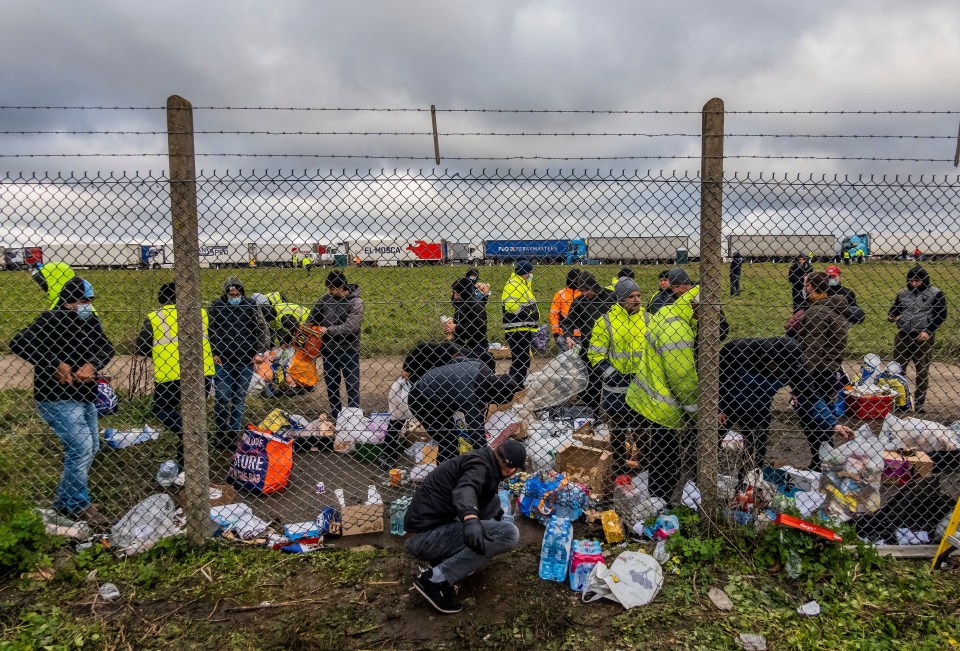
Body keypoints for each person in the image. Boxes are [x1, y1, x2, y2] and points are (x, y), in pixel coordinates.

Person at [11, 277, 114, 529]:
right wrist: (53, 364)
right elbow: (18, 342)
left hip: (85, 395)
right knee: (80, 448)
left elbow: (106, 348)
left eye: (90, 300)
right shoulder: (51, 320)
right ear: (69, 301)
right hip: (56, 397)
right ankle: (79, 504)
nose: (88, 305)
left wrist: (92, 365)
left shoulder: (90, 321)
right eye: (84, 300)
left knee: (92, 447)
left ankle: (66, 501)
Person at [405, 439, 526, 614]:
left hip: (428, 529)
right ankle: (435, 579)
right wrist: (470, 519)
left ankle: (446, 558)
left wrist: (490, 513)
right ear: (511, 470)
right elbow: (465, 489)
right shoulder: (479, 467)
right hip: (423, 538)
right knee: (509, 534)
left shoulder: (484, 459)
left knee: (493, 502)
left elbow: (480, 494)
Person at [720, 337, 853, 472]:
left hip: (758, 409)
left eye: (781, 367)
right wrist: (718, 407)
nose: (776, 369)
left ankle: (746, 487)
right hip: (726, 406)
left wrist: (833, 424)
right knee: (708, 443)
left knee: (756, 452)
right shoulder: (738, 350)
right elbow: (713, 380)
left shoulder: (795, 366)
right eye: (773, 364)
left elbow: (810, 398)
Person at [626, 273, 700, 501]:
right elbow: (682, 379)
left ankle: (656, 498)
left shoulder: (668, 312)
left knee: (660, 453)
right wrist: (698, 413)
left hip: (649, 395)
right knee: (667, 459)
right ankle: (660, 501)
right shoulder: (677, 329)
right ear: (695, 305)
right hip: (664, 404)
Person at [135, 282, 216, 466]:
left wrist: (158, 352)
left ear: (161, 299)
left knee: (161, 410)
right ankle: (189, 458)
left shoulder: (155, 317)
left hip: (170, 375)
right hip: (202, 372)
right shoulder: (201, 313)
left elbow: (141, 347)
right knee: (194, 414)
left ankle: (188, 434)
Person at [408, 353, 521, 464]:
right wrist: (488, 459)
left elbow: (456, 360)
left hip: (431, 386)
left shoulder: (481, 366)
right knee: (449, 442)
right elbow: (476, 432)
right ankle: (444, 476)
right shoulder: (472, 397)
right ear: (492, 395)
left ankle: (451, 469)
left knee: (451, 436)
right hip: (421, 400)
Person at [586, 279, 647, 474]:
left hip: (641, 385)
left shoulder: (648, 320)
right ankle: (619, 466)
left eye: (639, 295)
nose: (636, 299)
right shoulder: (605, 322)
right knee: (618, 431)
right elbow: (596, 354)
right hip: (616, 388)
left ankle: (644, 466)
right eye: (631, 296)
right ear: (621, 299)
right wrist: (612, 375)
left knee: (643, 431)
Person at [208, 277, 270, 447]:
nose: (234, 296)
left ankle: (234, 434)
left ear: (242, 292)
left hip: (245, 361)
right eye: (231, 294)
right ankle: (221, 433)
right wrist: (213, 352)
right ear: (226, 293)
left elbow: (262, 328)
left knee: (238, 398)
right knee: (221, 397)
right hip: (223, 362)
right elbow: (209, 330)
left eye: (237, 293)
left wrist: (259, 352)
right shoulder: (216, 307)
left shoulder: (250, 305)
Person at [888, 266, 948, 413]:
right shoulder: (903, 293)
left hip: (923, 336)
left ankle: (919, 402)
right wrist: (891, 316)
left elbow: (941, 315)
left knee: (922, 370)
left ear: (924, 280)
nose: (914, 284)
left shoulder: (936, 293)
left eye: (917, 281)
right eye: (911, 281)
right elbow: (895, 309)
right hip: (904, 334)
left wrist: (928, 331)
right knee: (897, 369)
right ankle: (899, 401)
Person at [308, 271, 364, 420]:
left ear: (340, 287)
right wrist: (309, 327)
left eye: (332, 289)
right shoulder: (326, 299)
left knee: (352, 386)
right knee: (332, 386)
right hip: (329, 351)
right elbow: (312, 316)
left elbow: (351, 327)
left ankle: (353, 419)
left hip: (348, 350)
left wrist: (327, 330)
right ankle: (336, 417)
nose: (329, 292)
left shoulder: (356, 302)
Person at [562, 272, 616, 411]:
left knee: (614, 382)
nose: (585, 293)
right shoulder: (580, 301)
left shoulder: (611, 296)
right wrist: (569, 337)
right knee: (591, 386)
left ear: (595, 286)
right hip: (589, 349)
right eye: (582, 290)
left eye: (587, 289)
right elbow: (568, 322)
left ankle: (614, 412)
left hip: (613, 348)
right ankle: (593, 414)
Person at [796, 272, 849, 406]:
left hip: (819, 371)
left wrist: (803, 375)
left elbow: (813, 347)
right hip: (828, 367)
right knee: (824, 409)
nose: (804, 288)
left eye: (805, 285)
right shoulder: (831, 308)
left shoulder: (818, 312)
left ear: (810, 286)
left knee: (814, 412)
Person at [500, 259, 539, 383]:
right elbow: (511, 306)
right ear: (525, 272)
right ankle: (514, 384)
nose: (531, 274)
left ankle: (518, 383)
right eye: (530, 272)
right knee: (520, 359)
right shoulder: (513, 284)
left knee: (523, 359)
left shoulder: (522, 284)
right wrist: (528, 312)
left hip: (523, 328)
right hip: (517, 328)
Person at [446, 276, 494, 370]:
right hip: (463, 344)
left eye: (456, 293)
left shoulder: (475, 303)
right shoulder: (461, 303)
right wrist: (451, 325)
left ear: (463, 292)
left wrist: (456, 327)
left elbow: (479, 324)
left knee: (476, 371)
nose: (454, 296)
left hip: (477, 345)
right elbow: (461, 319)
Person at [549, 269, 582, 352]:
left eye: (577, 279)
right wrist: (556, 333)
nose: (575, 281)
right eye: (573, 279)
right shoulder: (560, 294)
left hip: (582, 335)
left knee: (581, 362)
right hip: (563, 334)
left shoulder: (584, 293)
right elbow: (553, 315)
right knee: (564, 362)